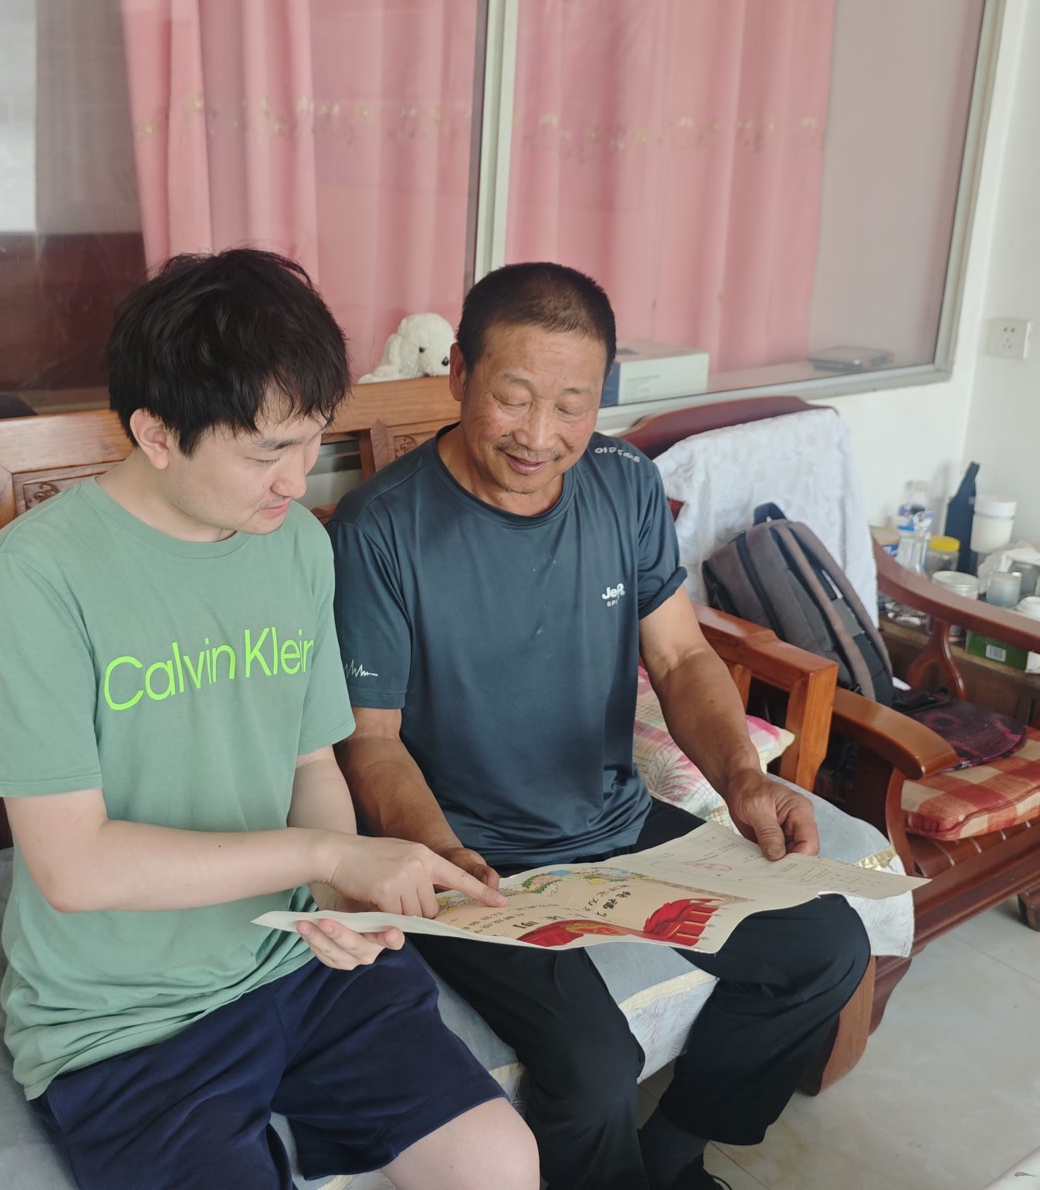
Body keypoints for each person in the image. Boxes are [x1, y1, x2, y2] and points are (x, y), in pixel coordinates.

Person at [0, 248, 539, 1190]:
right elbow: (73, 865)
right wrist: (327, 858)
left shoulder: (297, 546)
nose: (297, 478)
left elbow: (311, 764)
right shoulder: (35, 580)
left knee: (501, 1163)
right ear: (155, 433)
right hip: (126, 1017)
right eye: (267, 452)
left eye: (312, 441)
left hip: (297, 960)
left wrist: (340, 899)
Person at [329, 262, 871, 1190]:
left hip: (615, 823)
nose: (540, 436)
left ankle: (673, 1156)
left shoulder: (622, 483)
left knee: (824, 948)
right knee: (592, 1068)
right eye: (513, 399)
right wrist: (440, 855)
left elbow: (682, 658)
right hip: (474, 857)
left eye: (572, 406)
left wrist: (743, 777)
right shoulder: (379, 528)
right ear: (458, 373)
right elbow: (370, 741)